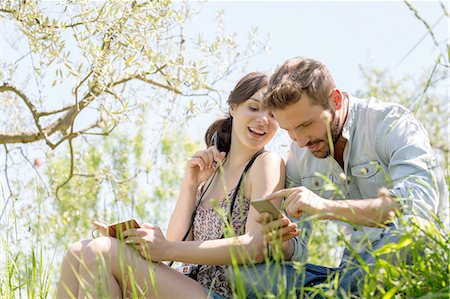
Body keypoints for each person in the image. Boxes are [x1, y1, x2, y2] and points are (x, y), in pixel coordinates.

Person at [56, 72, 288, 299]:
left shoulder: (266, 164)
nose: (263, 120)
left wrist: (165, 248)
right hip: (189, 284)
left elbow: (255, 247)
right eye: (254, 107)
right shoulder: (212, 170)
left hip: (228, 292)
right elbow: (177, 244)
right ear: (233, 107)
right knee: (78, 252)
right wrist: (190, 184)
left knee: (102, 252)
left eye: (273, 115)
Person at [241, 57, 449, 297]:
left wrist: (325, 207)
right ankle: (346, 292)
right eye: (289, 130)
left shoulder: (390, 123)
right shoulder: (298, 155)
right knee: (250, 276)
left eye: (306, 124)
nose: (300, 140)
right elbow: (296, 251)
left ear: (335, 100)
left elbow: (417, 209)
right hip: (351, 272)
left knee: (415, 233)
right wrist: (283, 241)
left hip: (404, 257)